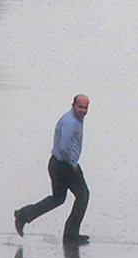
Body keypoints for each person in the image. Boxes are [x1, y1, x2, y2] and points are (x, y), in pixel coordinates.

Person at [14, 94, 91, 244]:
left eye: (85, 107)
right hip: (65, 166)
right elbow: (64, 148)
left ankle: (24, 214)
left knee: (58, 198)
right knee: (83, 196)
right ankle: (71, 235)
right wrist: (73, 165)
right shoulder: (70, 122)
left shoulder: (74, 118)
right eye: (80, 107)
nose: (83, 110)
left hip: (57, 164)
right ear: (73, 105)